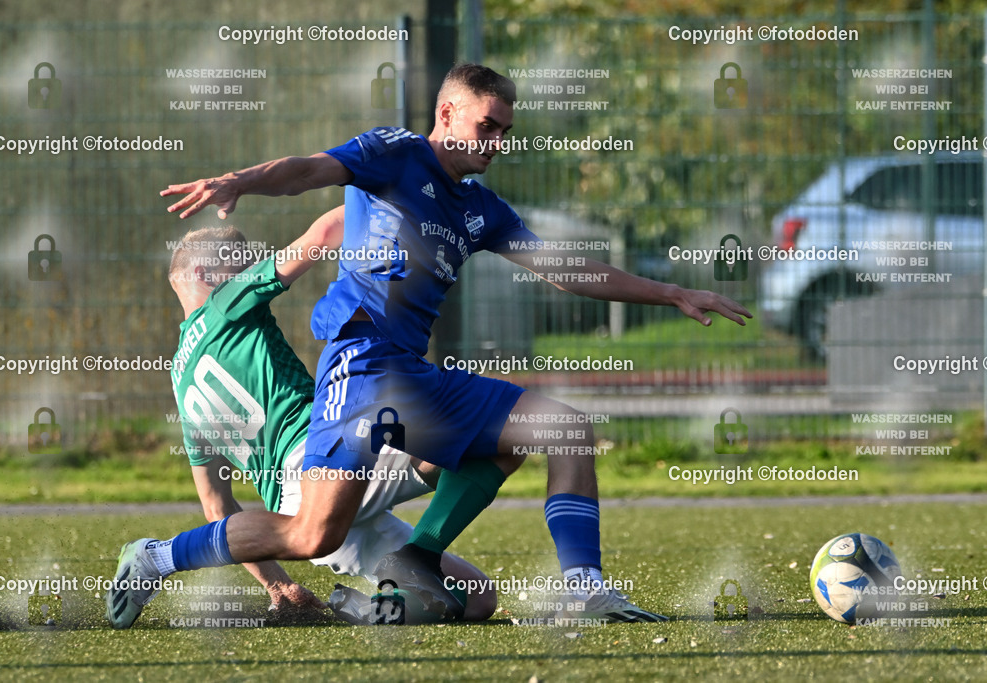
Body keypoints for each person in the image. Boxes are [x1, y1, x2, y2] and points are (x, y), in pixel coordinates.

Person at [160, 63, 751, 623]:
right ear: (446, 114)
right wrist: (240, 181)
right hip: (361, 366)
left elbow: (566, 269)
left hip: (412, 376)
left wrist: (670, 291)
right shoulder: (393, 153)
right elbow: (308, 171)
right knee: (313, 535)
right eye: (486, 126)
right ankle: (157, 558)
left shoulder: (481, 209)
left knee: (563, 430)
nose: (496, 142)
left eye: (505, 132)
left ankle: (573, 588)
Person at [106, 210, 498, 629]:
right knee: (485, 432)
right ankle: (420, 555)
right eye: (240, 264)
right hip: (325, 458)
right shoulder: (224, 304)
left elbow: (216, 505)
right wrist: (390, 199)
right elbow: (323, 234)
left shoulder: (180, 380)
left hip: (295, 510)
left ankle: (373, 608)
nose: (251, 270)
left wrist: (279, 586)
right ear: (205, 273)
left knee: (476, 599)